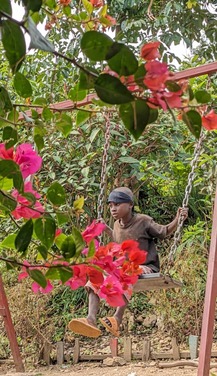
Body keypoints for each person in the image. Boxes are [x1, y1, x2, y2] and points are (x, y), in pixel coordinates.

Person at [68, 187, 188, 338]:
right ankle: (90, 319)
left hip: (146, 267)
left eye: (117, 204)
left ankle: (117, 317)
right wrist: (107, 230)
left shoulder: (143, 221)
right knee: (95, 278)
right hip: (122, 268)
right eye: (111, 205)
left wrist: (178, 219)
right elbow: (120, 240)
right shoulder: (117, 224)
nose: (113, 209)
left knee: (126, 272)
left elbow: (164, 231)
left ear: (130, 205)